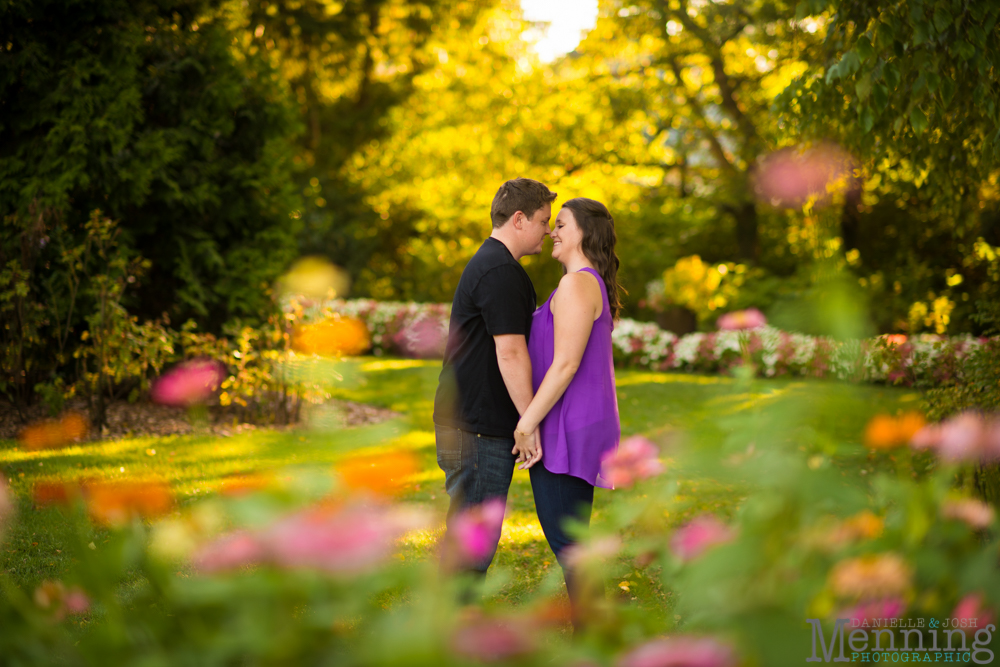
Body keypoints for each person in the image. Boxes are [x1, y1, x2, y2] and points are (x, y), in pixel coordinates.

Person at [433, 177, 556, 575]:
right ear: (518, 219)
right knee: (472, 544)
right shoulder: (501, 271)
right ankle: (451, 628)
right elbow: (510, 351)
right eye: (543, 220)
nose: (549, 230)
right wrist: (529, 421)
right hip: (478, 430)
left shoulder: (494, 264)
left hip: (470, 423)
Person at [512, 197, 623, 623]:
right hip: (572, 422)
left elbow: (565, 363)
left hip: (567, 428)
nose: (551, 232)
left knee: (569, 543)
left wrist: (526, 424)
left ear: (584, 232)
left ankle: (596, 636)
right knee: (571, 541)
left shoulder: (578, 283)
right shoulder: (581, 282)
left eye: (560, 224)